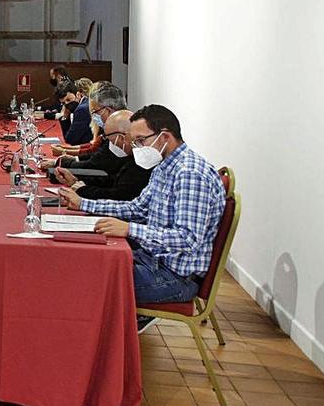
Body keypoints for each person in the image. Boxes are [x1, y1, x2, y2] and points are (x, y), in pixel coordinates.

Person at [59, 105, 225, 330]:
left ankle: (97, 351)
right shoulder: (164, 166)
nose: (135, 148)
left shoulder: (190, 174)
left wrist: (129, 229)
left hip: (175, 276)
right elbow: (137, 208)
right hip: (152, 259)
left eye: (140, 141)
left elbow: (186, 238)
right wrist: (84, 203)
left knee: (84, 283)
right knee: (86, 263)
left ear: (164, 137)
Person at [53, 110, 151, 201]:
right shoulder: (132, 156)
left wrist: (83, 190)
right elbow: (112, 179)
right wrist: (76, 181)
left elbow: (121, 195)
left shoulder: (143, 160)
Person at [61, 81, 92, 145]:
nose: (67, 104)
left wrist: (65, 118)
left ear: (78, 94)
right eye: (64, 103)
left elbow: (70, 139)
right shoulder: (87, 102)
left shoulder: (82, 109)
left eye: (68, 100)